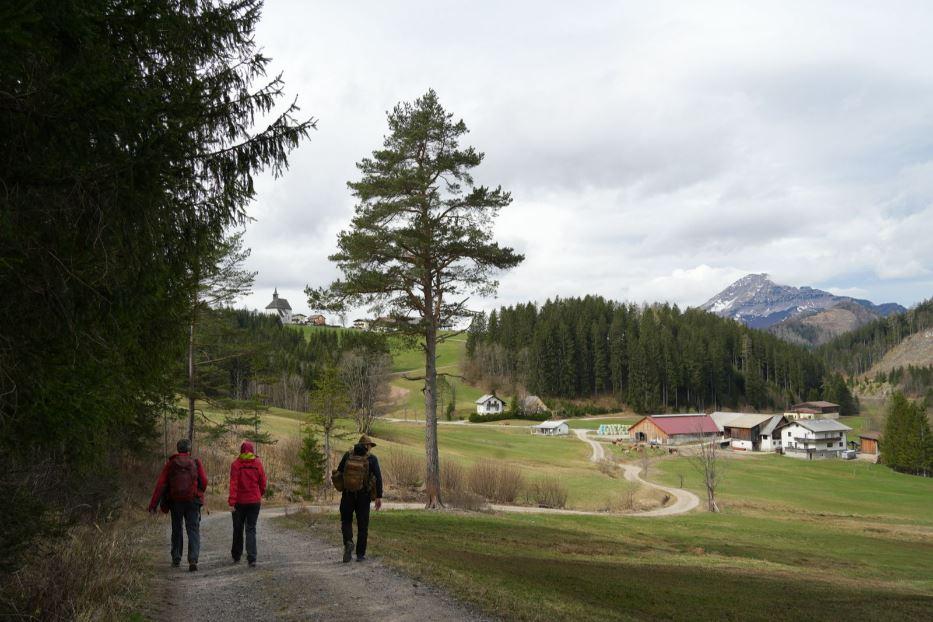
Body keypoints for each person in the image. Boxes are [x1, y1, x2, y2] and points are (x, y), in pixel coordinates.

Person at [148, 438, 207, 571]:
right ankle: (193, 559)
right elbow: (204, 480)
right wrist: (199, 492)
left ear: (178, 449)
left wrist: (153, 505)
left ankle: (176, 557)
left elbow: (161, 485)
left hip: (175, 501)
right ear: (189, 449)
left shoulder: (171, 464)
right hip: (192, 501)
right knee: (193, 529)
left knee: (177, 528)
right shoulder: (195, 462)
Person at [337, 434, 383, 563]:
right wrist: (379, 496)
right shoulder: (372, 459)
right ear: (367, 446)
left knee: (346, 521)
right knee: (363, 526)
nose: (371, 448)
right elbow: (378, 478)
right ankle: (360, 555)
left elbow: (340, 471)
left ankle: (348, 542)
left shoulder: (348, 455)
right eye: (370, 446)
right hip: (363, 496)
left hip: (347, 495)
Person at [228, 440, 267, 567]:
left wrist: (232, 502)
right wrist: (258, 494)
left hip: (239, 502)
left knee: (238, 529)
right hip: (254, 501)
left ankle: (236, 555)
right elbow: (263, 482)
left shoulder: (236, 465)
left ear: (241, 451)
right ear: (252, 451)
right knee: (251, 529)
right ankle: (252, 558)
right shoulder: (258, 464)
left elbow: (233, 485)